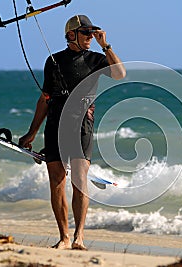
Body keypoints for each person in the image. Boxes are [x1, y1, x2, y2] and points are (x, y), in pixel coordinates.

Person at [19, 15, 126, 250]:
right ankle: (64, 237)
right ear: (71, 35)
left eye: (91, 32)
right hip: (55, 124)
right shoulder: (53, 61)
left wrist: (105, 44)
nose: (90, 36)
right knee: (57, 181)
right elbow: (45, 98)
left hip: (82, 125)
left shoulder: (97, 59)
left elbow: (120, 74)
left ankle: (79, 236)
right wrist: (32, 132)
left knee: (79, 179)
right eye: (85, 32)